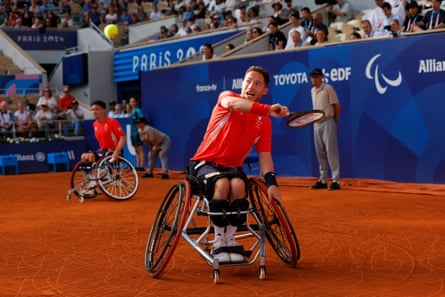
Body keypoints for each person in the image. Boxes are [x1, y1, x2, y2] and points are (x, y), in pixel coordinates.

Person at [188, 65, 289, 263]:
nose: (251, 86)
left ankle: (230, 239)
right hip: (204, 163)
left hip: (232, 169)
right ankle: (218, 242)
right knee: (223, 184)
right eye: (248, 81)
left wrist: (272, 184)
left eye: (257, 83)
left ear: (264, 91)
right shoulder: (226, 97)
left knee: (238, 185)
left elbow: (265, 156)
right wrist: (269, 109)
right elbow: (235, 105)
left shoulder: (264, 122)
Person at [79, 100, 126, 197]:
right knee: (84, 157)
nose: (94, 112)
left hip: (113, 151)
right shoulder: (95, 124)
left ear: (103, 110)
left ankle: (94, 186)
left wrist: (116, 153)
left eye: (97, 109)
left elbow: (123, 137)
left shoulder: (112, 122)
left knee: (93, 158)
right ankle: (92, 184)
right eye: (92, 110)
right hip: (103, 151)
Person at [309, 68, 341, 191]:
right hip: (316, 123)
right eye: (312, 77)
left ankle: (335, 180)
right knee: (320, 152)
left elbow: (337, 105)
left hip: (328, 121)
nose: (314, 79)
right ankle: (323, 180)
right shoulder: (312, 90)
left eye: (316, 77)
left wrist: (334, 121)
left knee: (331, 151)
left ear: (322, 77)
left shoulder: (328, 88)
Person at [129, 97, 145, 171]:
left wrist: (140, 129)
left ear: (136, 102)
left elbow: (141, 118)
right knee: (136, 150)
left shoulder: (138, 110)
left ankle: (141, 165)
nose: (132, 103)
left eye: (133, 101)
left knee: (140, 149)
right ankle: (137, 165)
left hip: (137, 132)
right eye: (131, 102)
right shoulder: (131, 111)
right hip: (132, 132)